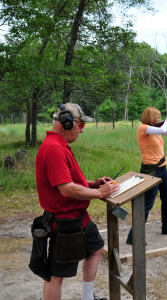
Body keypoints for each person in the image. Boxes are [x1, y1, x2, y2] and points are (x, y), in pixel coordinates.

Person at [35, 103, 120, 300]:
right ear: (66, 122)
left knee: (96, 248)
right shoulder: (55, 149)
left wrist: (92, 184)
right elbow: (66, 189)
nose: (82, 130)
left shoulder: (60, 145)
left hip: (78, 219)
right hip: (66, 222)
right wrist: (99, 193)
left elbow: (66, 180)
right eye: (80, 124)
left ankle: (87, 298)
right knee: (55, 276)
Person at [126, 107, 167, 244]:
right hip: (151, 170)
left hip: (163, 168)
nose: (159, 119)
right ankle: (133, 237)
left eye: (159, 118)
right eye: (157, 117)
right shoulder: (143, 128)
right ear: (150, 117)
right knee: (147, 204)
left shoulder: (155, 130)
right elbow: (163, 129)